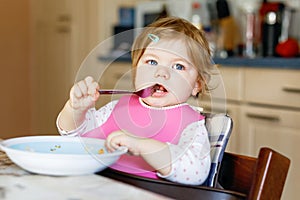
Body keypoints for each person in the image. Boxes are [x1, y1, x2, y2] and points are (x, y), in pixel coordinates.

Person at [56, 17, 214, 185]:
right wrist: (75, 109)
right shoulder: (117, 108)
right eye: (152, 62)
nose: (161, 73)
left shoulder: (192, 125)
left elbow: (195, 173)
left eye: (178, 66)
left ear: (196, 85)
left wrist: (140, 145)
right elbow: (76, 138)